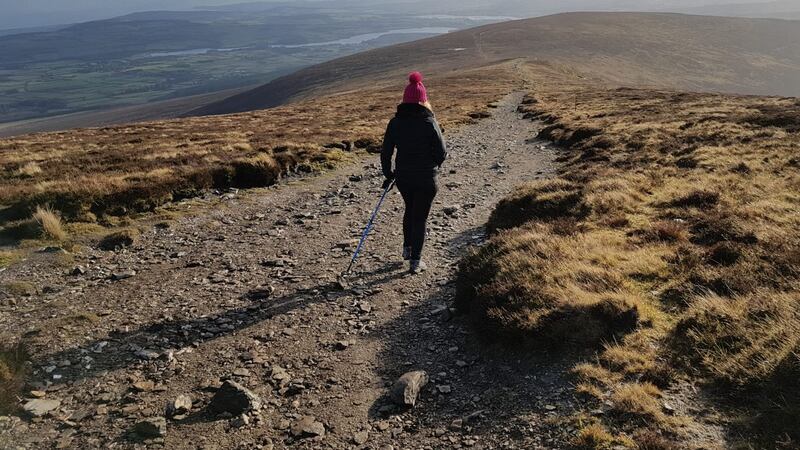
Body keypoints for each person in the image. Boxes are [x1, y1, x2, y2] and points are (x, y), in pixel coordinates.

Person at [381, 71, 447, 274]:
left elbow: (386, 151)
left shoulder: (395, 122)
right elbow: (442, 152)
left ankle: (407, 249)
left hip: (403, 176)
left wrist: (389, 173)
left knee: (409, 209)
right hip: (426, 177)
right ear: (423, 100)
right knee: (420, 217)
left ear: (405, 100)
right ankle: (415, 262)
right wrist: (433, 165)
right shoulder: (429, 122)